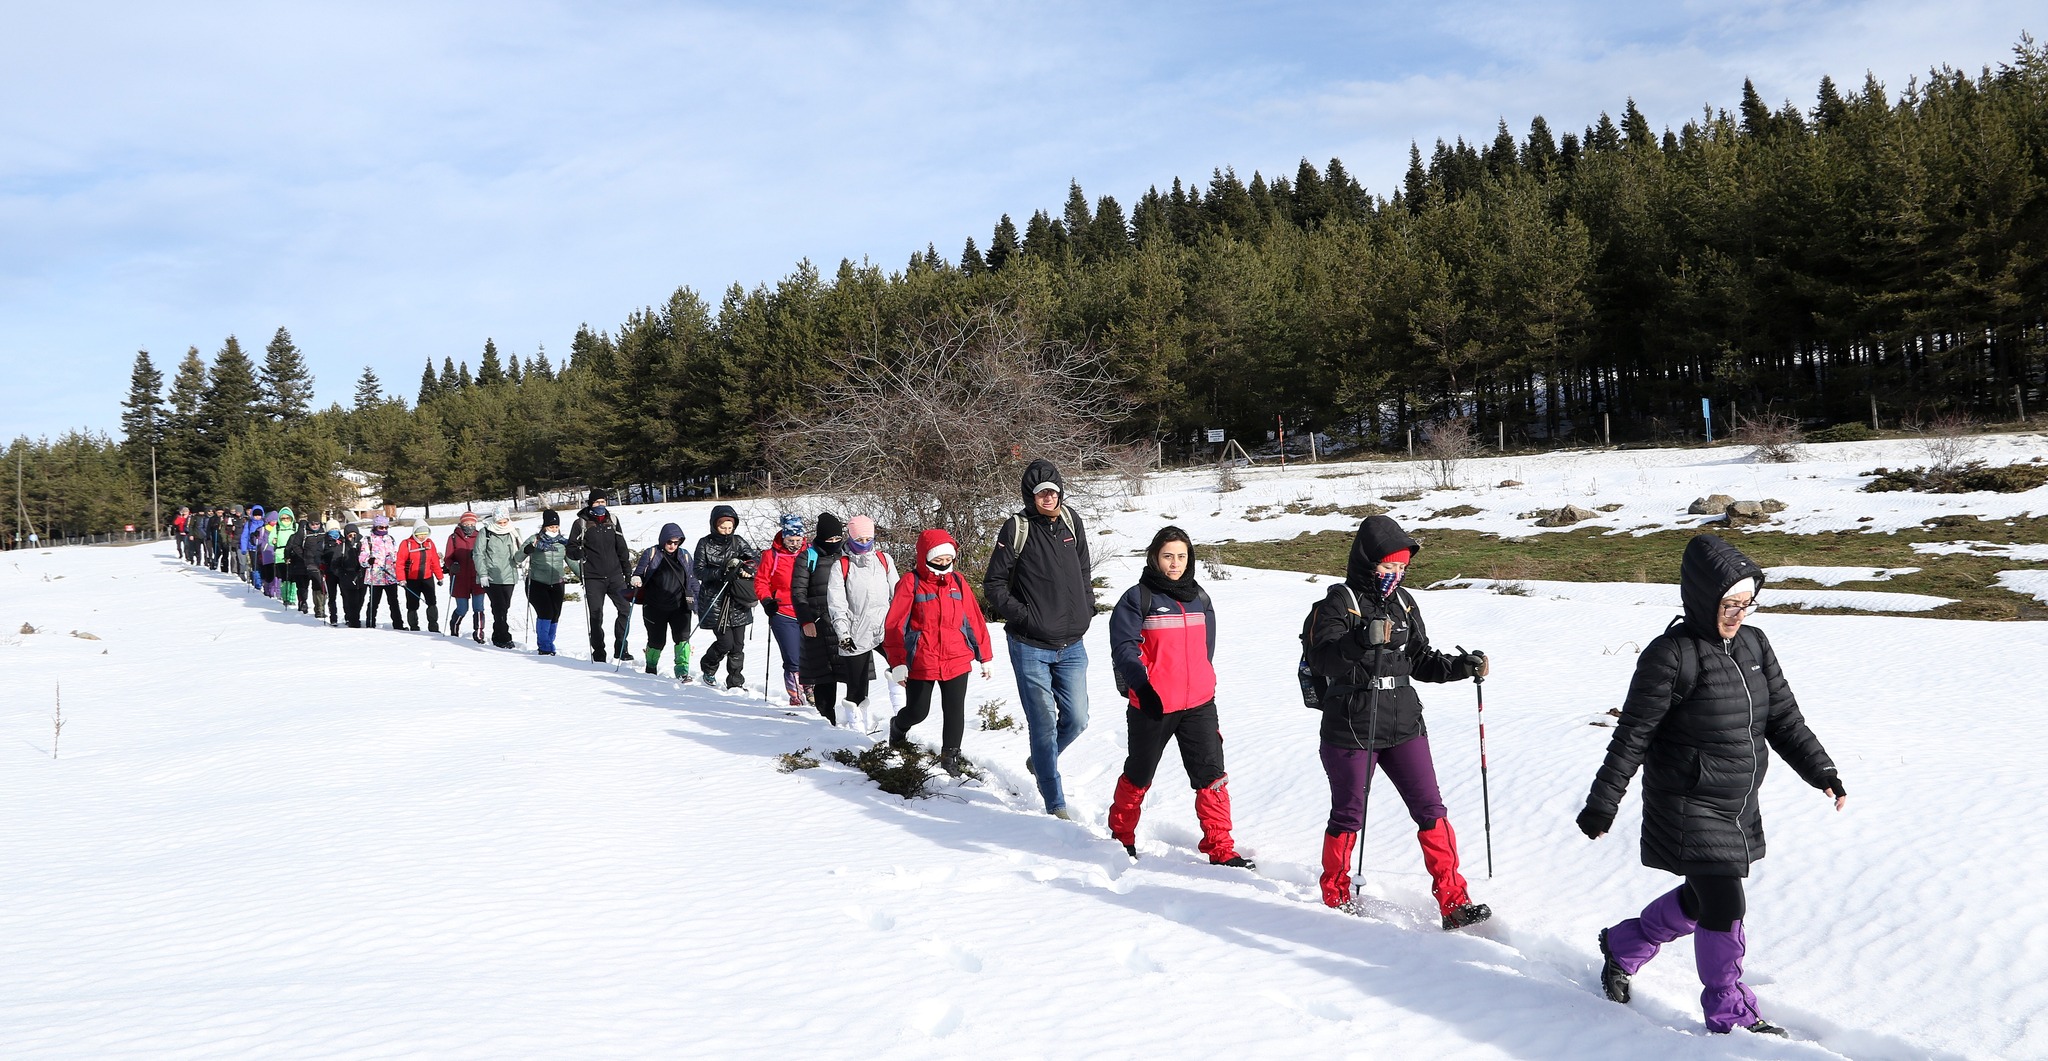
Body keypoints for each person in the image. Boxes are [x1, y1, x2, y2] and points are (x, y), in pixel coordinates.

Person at [1578, 534, 1843, 1038]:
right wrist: (1602, 804)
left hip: (1736, 802)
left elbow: (1783, 718)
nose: (1737, 614)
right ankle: (1730, 1016)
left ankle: (1624, 944)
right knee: (1725, 903)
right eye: (1728, 603)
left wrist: (1821, 771)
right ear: (1702, 598)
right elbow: (1633, 735)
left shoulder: (1755, 645)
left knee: (1703, 901)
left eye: (1746, 603)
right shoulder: (1670, 655)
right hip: (1686, 801)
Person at [1305, 514, 1492, 930]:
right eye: (1389, 566)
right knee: (1349, 814)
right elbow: (1324, 658)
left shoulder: (1406, 603)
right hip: (1351, 726)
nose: (1396, 574)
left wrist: (1462, 667)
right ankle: (1335, 895)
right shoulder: (1338, 602)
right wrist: (1361, 639)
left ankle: (1453, 902)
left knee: (1431, 809)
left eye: (1402, 567)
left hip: (1404, 723)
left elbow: (1420, 660)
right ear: (1367, 562)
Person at [1106, 526, 1253, 869]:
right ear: (1155, 557)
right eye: (1168, 556)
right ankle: (1122, 837)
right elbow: (1124, 649)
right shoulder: (1137, 598)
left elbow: (1206, 649)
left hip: (1199, 704)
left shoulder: (1199, 597)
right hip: (1152, 705)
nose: (1175, 563)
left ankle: (1221, 849)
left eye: (1182, 556)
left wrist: (1202, 680)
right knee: (1139, 775)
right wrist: (1143, 687)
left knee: (1212, 776)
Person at [983, 459, 1095, 819]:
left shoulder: (1071, 521)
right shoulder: (1017, 527)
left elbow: (1083, 570)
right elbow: (994, 584)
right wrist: (1024, 617)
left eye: (1052, 490)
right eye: (1040, 493)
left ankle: (1040, 760)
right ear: (1030, 497)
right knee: (1043, 724)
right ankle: (1055, 803)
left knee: (1077, 719)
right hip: (1030, 645)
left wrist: (1086, 607)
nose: (1048, 497)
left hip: (1072, 644)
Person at [881, 529, 992, 777]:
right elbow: (895, 624)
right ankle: (898, 727)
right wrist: (898, 662)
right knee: (918, 711)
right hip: (922, 658)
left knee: (954, 710)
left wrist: (985, 655)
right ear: (924, 557)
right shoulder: (911, 582)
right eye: (937, 559)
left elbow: (974, 619)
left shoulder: (958, 582)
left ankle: (950, 758)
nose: (943, 564)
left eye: (947, 559)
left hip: (956, 657)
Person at [822, 515, 894, 731]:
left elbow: (899, 595)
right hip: (856, 631)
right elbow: (836, 603)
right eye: (859, 539)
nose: (864, 543)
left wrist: (903, 626)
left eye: (868, 538)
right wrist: (843, 634)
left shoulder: (884, 560)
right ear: (850, 539)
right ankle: (856, 728)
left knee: (901, 667)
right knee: (857, 685)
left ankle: (901, 716)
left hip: (884, 627)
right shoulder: (841, 567)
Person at [789, 512, 856, 722]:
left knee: (854, 676)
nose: (834, 543)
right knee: (824, 677)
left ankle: (854, 721)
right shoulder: (807, 557)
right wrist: (806, 620)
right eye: (830, 540)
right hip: (818, 626)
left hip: (845, 624)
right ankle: (827, 723)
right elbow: (798, 592)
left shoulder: (847, 556)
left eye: (838, 539)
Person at [693, 504, 757, 690]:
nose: (726, 531)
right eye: (723, 527)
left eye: (730, 527)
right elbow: (698, 571)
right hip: (715, 600)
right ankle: (709, 666)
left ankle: (735, 682)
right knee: (725, 642)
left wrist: (747, 569)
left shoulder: (738, 541)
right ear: (714, 525)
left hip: (738, 600)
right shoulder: (704, 543)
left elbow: (755, 560)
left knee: (738, 645)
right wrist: (721, 573)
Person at [568, 490, 633, 663]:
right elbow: (570, 549)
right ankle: (599, 653)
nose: (600, 505)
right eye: (596, 502)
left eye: (603, 501)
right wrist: (578, 551)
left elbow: (622, 549)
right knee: (596, 616)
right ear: (590, 504)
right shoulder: (580, 523)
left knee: (625, 610)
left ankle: (621, 647)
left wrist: (628, 574)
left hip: (615, 575)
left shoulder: (613, 520)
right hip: (593, 577)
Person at [755, 514, 810, 706]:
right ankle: (796, 695)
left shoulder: (810, 553)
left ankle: (811, 688)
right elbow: (761, 581)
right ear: (783, 537)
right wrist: (767, 600)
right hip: (782, 612)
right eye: (790, 540)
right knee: (793, 657)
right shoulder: (771, 555)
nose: (795, 544)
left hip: (807, 611)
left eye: (798, 540)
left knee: (811, 654)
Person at [632, 522, 699, 677]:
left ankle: (682, 671)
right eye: (669, 542)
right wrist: (636, 579)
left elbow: (693, 580)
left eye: (676, 542)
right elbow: (639, 572)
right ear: (663, 540)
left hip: (680, 606)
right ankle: (651, 667)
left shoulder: (685, 555)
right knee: (657, 641)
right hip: (654, 606)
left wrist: (698, 602)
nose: (673, 545)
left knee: (682, 639)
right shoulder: (652, 553)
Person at [475, 506, 526, 649]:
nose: (502, 525)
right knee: (499, 607)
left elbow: (518, 555)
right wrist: (482, 573)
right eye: (500, 522)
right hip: (491, 576)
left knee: (505, 607)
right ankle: (504, 638)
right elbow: (478, 554)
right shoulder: (485, 532)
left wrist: (526, 554)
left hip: (509, 575)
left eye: (505, 522)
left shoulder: (514, 532)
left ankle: (497, 635)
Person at [523, 509, 571, 656]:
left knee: (555, 614)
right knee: (546, 612)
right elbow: (518, 557)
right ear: (544, 527)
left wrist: (584, 577)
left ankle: (549, 644)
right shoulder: (535, 539)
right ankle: (544, 646)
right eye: (551, 527)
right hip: (537, 582)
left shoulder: (563, 543)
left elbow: (571, 562)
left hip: (557, 582)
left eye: (556, 527)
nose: (554, 529)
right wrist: (527, 550)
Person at [444, 511, 488, 643]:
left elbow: (486, 554)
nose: (469, 526)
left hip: (477, 577)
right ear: (461, 523)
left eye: (472, 523)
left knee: (478, 607)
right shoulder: (453, 537)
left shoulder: (481, 536)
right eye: (466, 523)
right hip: (460, 579)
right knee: (462, 608)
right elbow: (448, 557)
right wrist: (452, 565)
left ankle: (479, 633)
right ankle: (454, 629)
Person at [396, 518, 444, 633]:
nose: (422, 537)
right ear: (414, 533)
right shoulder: (406, 544)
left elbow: (434, 562)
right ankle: (414, 627)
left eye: (424, 534)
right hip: (411, 579)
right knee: (412, 604)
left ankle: (433, 627)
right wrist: (401, 579)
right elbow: (400, 563)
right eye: (419, 534)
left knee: (431, 602)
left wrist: (439, 576)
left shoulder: (430, 544)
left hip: (427, 578)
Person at [360, 514, 403, 629]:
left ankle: (398, 625)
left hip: (390, 577)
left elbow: (396, 554)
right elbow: (362, 558)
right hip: (375, 578)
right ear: (375, 527)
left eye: (386, 527)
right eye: (381, 527)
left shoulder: (390, 539)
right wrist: (368, 560)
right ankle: (370, 624)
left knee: (394, 602)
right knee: (373, 603)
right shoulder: (368, 540)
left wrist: (396, 561)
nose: (384, 530)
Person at [270, 508, 308, 610]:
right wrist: (273, 541)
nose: (285, 520)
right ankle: (285, 597)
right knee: (284, 578)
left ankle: (292, 598)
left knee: (293, 578)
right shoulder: (277, 527)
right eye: (283, 518)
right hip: (280, 554)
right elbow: (270, 539)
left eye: (287, 518)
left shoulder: (295, 527)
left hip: (293, 555)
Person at [332, 523, 367, 627]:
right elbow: (334, 564)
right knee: (352, 602)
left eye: (354, 535)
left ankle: (354, 618)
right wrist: (343, 575)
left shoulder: (362, 545)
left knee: (360, 601)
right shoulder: (342, 547)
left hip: (361, 577)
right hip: (347, 578)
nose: (352, 538)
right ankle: (353, 622)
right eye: (350, 535)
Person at [315, 522, 347, 627]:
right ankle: (333, 617)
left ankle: (348, 616)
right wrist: (321, 565)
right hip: (329, 572)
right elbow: (318, 556)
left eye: (336, 528)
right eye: (332, 528)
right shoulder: (323, 542)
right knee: (332, 596)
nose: (334, 530)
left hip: (342, 572)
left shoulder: (343, 540)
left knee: (345, 595)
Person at [240, 505, 267, 590]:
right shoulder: (249, 524)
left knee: (263, 566)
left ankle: (263, 581)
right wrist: (244, 548)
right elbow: (244, 536)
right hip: (252, 548)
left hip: (263, 549)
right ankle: (257, 583)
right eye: (255, 515)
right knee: (255, 566)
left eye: (259, 515)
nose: (257, 517)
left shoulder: (265, 523)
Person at [257, 509, 282, 597]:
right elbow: (259, 541)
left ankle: (278, 592)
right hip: (267, 554)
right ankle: (268, 591)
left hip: (278, 554)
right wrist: (263, 545)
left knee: (278, 575)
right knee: (269, 574)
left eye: (276, 521)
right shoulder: (263, 529)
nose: (274, 523)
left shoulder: (280, 529)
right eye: (273, 521)